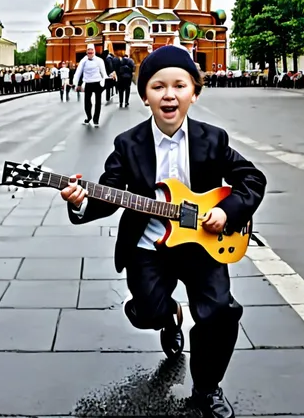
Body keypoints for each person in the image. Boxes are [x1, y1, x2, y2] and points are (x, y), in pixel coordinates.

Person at [60, 45, 267, 418]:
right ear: (144, 96)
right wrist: (79, 201)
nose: (169, 95)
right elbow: (110, 193)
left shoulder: (213, 139)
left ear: (194, 92)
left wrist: (226, 210)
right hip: (149, 245)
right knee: (145, 311)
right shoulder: (128, 144)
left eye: (179, 85)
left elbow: (251, 179)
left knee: (220, 313)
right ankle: (167, 315)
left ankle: (206, 389)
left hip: (203, 243)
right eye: (158, 87)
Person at [73, 45, 108, 127]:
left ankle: (96, 120)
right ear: (86, 52)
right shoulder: (83, 61)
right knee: (87, 102)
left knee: (98, 102)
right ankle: (88, 117)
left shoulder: (99, 60)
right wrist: (75, 83)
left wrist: (105, 80)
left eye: (91, 50)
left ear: (94, 51)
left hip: (97, 83)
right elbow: (78, 72)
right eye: (88, 50)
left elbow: (104, 73)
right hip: (88, 83)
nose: (90, 52)